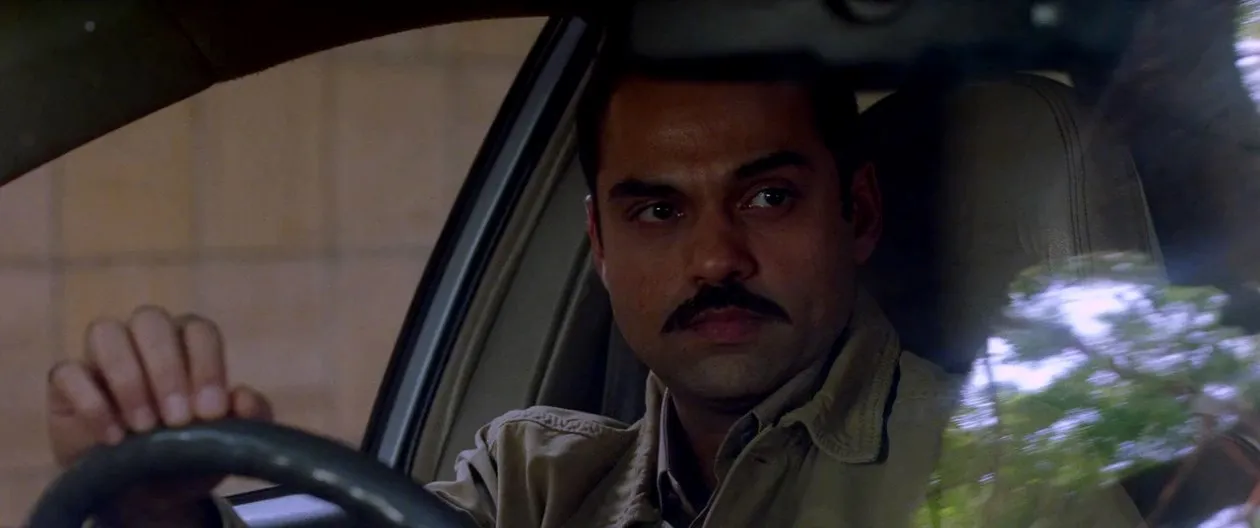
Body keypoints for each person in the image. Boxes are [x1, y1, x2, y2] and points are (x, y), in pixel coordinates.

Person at [47, 54, 965, 527]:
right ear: (600, 246)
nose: (715, 259)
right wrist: (156, 517)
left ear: (857, 213)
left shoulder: (993, 476)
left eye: (767, 198)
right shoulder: (531, 480)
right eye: (657, 211)